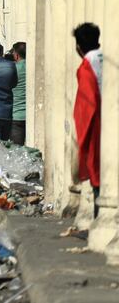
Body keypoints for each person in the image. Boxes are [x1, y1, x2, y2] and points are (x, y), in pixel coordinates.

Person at [72, 23, 102, 213]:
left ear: (78, 47)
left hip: (96, 129)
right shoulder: (107, 58)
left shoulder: (86, 67)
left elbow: (87, 104)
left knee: (97, 174)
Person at [10, 42, 27, 145]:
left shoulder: (13, 69)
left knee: (17, 150)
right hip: (31, 115)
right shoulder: (34, 67)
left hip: (16, 114)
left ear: (16, 55)